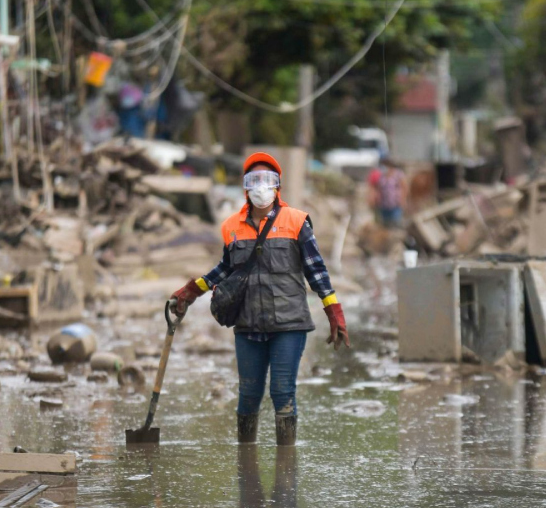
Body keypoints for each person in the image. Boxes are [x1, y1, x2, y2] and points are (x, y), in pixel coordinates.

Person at [170, 152, 350, 446]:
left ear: (278, 186)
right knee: (248, 395)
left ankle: (285, 462)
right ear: (245, 186)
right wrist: (192, 290)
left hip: (289, 324)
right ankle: (246, 459)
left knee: (282, 392)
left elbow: (316, 270)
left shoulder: (297, 221)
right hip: (248, 322)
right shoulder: (231, 226)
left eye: (268, 180)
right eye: (254, 180)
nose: (260, 187)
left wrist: (333, 310)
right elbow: (226, 268)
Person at [367, 158, 407, 227]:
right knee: (385, 224)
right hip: (384, 204)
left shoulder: (398, 174)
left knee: (395, 223)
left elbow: (404, 187)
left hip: (395, 203)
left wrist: (402, 199)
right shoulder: (381, 176)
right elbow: (376, 187)